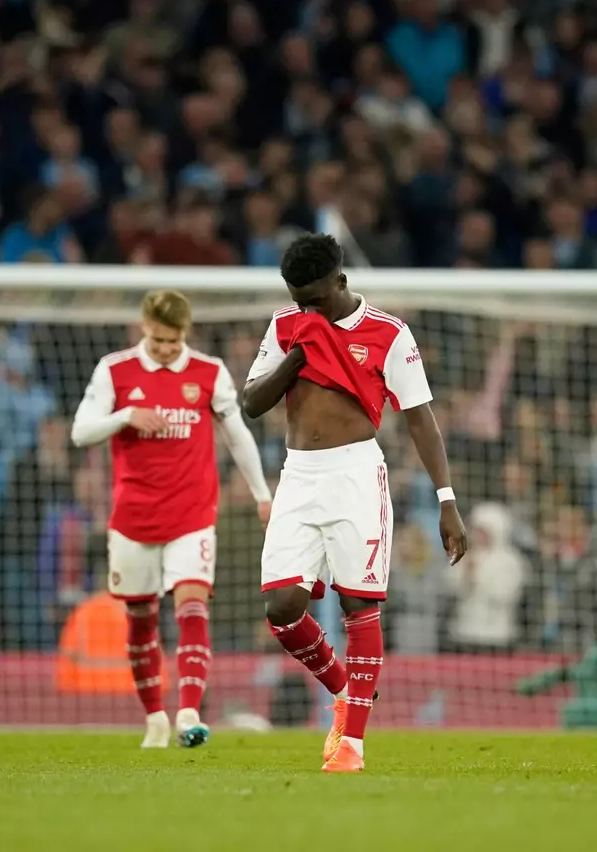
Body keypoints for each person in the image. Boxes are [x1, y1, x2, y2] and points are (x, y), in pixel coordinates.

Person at [243, 233, 469, 772]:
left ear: (341, 282)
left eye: (315, 299)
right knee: (281, 609)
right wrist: (298, 355)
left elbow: (420, 418)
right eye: (298, 298)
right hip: (298, 477)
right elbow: (252, 401)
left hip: (355, 476)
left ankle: (352, 746)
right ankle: (346, 691)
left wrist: (446, 499)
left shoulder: (389, 334)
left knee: (359, 606)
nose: (307, 308)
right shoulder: (285, 326)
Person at [71, 290, 272, 749]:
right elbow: (81, 431)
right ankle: (155, 719)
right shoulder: (115, 370)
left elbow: (237, 435)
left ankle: (188, 713)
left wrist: (262, 494)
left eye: (173, 340)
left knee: (193, 607)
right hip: (134, 517)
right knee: (141, 621)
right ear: (144, 328)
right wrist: (126, 417)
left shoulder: (208, 371)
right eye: (158, 339)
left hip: (192, 513)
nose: (165, 348)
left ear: (187, 332)